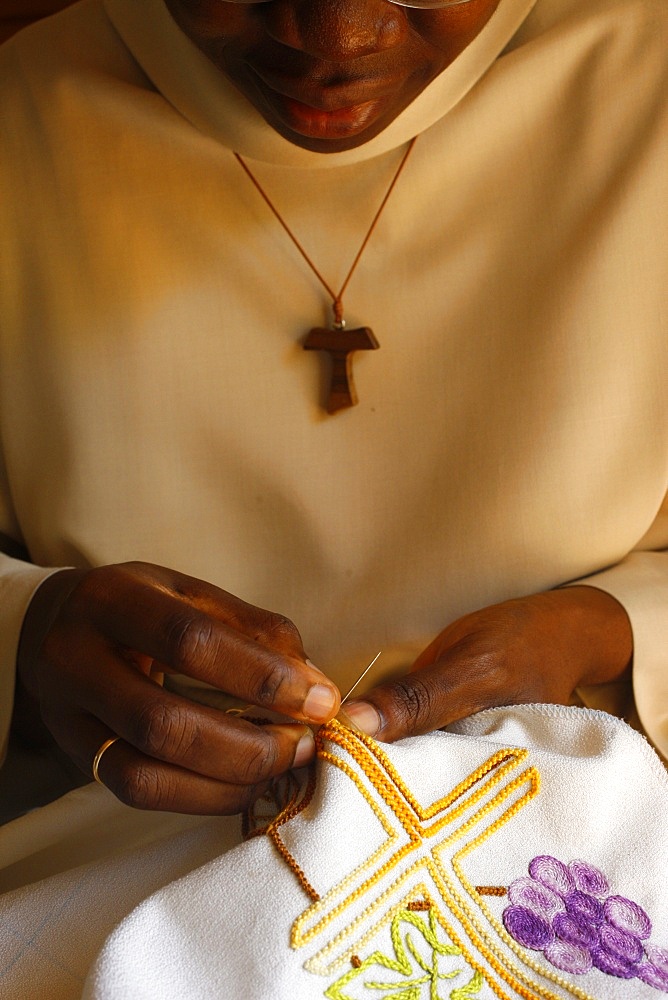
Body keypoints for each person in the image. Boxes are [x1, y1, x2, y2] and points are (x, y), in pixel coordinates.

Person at [0, 0, 666, 990]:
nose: (334, 42)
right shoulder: (23, 125)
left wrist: (618, 634)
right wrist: (28, 633)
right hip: (121, 864)